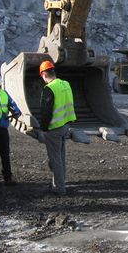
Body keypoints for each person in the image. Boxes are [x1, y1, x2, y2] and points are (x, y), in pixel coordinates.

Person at [38, 60, 76, 195]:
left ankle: (60, 189)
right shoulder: (65, 84)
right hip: (65, 124)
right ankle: (58, 183)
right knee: (60, 156)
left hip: (54, 128)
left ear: (43, 74)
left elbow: (46, 111)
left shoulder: (49, 88)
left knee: (55, 159)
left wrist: (43, 128)